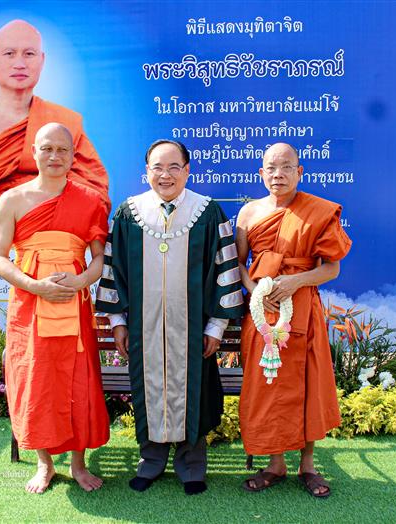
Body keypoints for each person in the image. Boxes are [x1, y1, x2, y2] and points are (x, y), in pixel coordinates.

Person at [96, 140, 244, 495]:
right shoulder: (129, 213)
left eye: (174, 167)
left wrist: (215, 326)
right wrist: (118, 322)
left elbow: (225, 270)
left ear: (187, 170)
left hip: (192, 329)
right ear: (146, 172)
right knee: (147, 389)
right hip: (144, 329)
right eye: (157, 168)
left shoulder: (207, 213)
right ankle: (151, 460)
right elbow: (113, 271)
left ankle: (192, 465)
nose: (165, 175)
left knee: (194, 391)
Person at [0, 122, 110, 494]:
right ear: (34, 153)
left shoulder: (91, 200)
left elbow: (98, 261)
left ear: (74, 156)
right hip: (29, 307)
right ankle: (44, 465)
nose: (55, 156)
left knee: (78, 381)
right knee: (36, 381)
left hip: (74, 307)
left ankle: (77, 464)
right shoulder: (12, 200)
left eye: (62, 150)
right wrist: (34, 285)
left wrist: (81, 281)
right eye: (47, 149)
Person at [235, 143, 351, 498]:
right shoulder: (249, 213)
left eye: (286, 167)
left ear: (300, 172)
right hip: (261, 311)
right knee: (267, 384)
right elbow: (239, 264)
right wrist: (257, 289)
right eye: (271, 168)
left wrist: (294, 282)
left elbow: (332, 267)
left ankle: (308, 465)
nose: (278, 175)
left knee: (308, 383)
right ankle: (275, 464)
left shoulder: (318, 211)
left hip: (302, 307)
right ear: (261, 173)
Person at [0, 19, 109, 247]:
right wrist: (16, 236)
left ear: (42, 61)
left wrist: (49, 237)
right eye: (9, 53)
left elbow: (92, 191)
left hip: (60, 241)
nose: (20, 63)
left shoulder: (64, 121)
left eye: (29, 54)